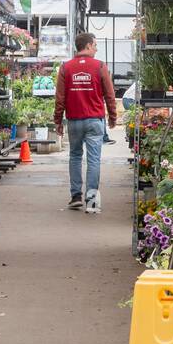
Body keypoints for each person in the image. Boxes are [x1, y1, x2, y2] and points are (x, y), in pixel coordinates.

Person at [54, 32, 118, 213]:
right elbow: (109, 94)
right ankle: (91, 199)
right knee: (93, 160)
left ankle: (75, 197)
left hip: (74, 120)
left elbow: (60, 98)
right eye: (95, 45)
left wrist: (58, 120)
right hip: (94, 121)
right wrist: (113, 117)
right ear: (88, 46)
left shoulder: (65, 68)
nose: (96, 49)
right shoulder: (100, 66)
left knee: (74, 156)